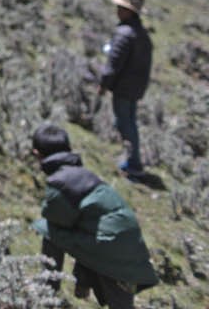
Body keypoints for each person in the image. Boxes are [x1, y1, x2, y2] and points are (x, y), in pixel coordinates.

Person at [30, 123, 158, 307]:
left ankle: (46, 292)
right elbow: (86, 229)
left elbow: (60, 229)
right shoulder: (86, 176)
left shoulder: (59, 184)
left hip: (107, 245)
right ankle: (74, 287)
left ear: (37, 154)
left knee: (48, 230)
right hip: (129, 241)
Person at [99, 0, 153, 180]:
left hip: (124, 88)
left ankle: (133, 164)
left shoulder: (124, 34)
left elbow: (114, 63)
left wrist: (104, 84)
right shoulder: (141, 34)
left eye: (121, 8)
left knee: (125, 124)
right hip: (135, 88)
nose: (118, 10)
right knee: (130, 122)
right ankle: (133, 160)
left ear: (130, 12)